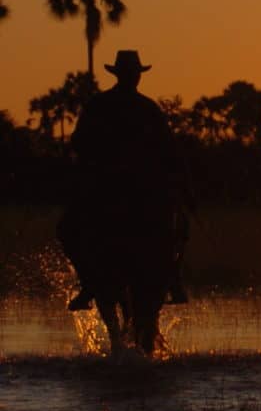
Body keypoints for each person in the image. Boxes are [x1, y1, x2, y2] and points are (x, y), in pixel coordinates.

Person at [61, 50, 190, 309]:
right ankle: (174, 279)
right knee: (178, 228)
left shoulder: (98, 105)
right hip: (144, 188)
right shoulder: (148, 107)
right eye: (134, 74)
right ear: (135, 76)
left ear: (118, 75)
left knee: (68, 231)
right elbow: (169, 149)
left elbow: (78, 142)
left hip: (105, 187)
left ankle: (88, 284)